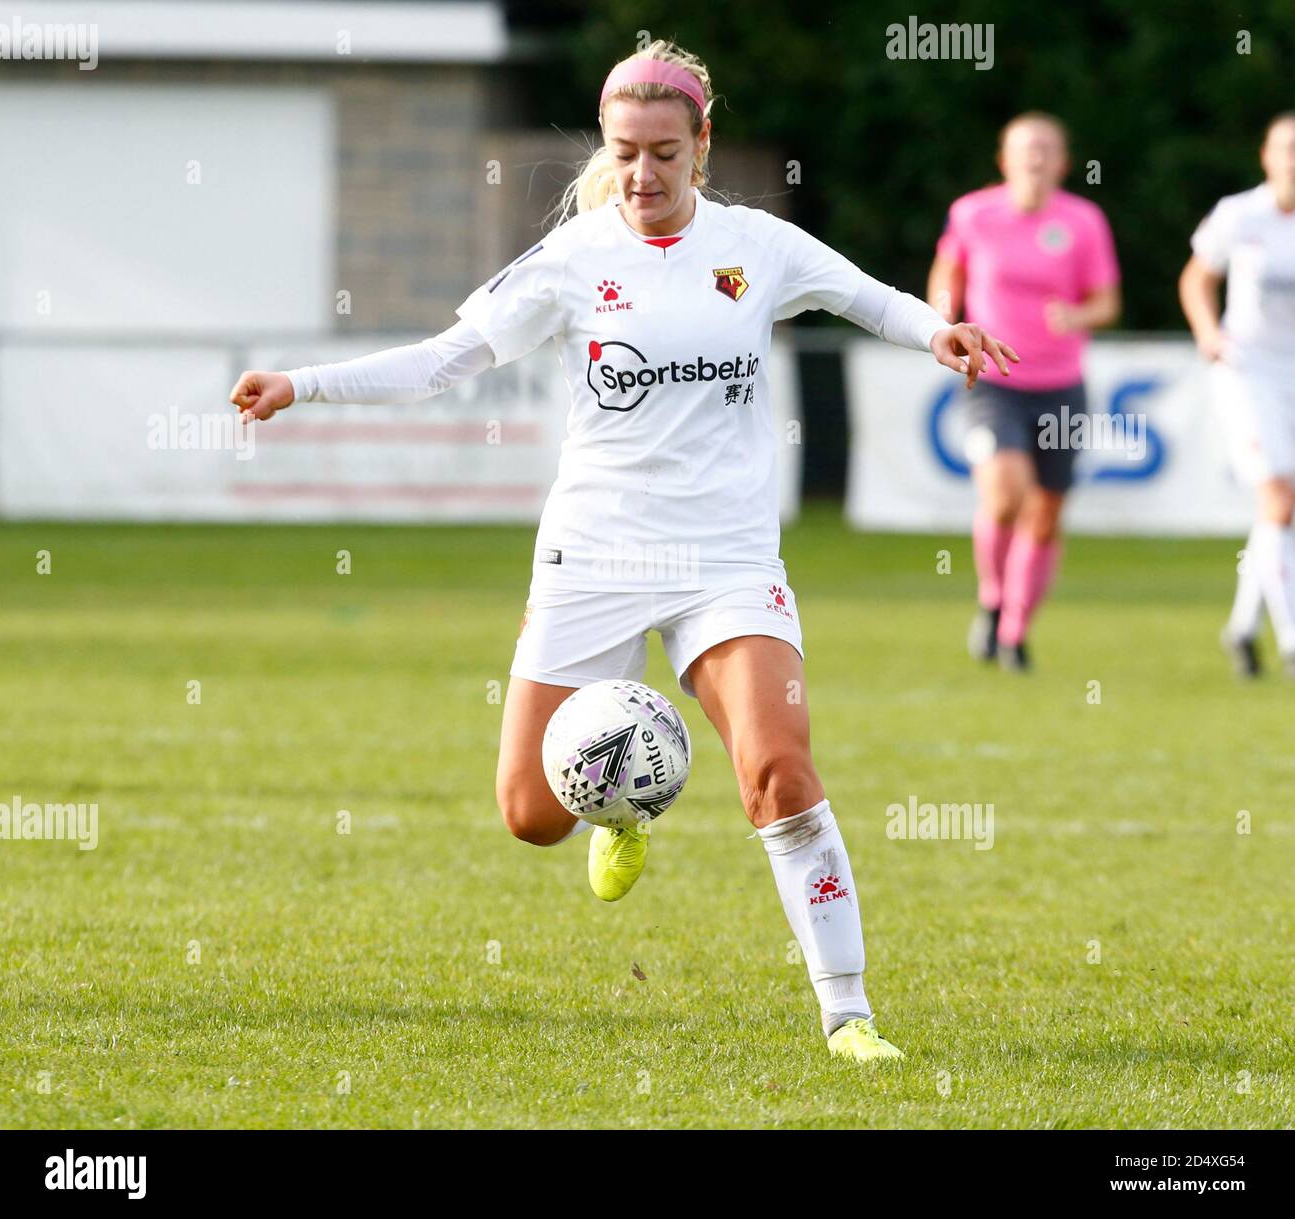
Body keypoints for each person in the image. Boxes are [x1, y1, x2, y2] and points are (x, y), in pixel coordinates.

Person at [229, 40, 1017, 1063]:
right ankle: (623, 807)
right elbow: (441, 362)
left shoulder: (755, 245)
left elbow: (862, 295)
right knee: (527, 816)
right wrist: (304, 383)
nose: (643, 174)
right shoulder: (571, 261)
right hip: (592, 554)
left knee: (778, 770)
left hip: (725, 558)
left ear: (701, 146)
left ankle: (848, 1014)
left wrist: (934, 332)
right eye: (624, 152)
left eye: (663, 153)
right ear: (607, 150)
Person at [928, 112, 1120, 670]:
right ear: (1004, 159)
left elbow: (1106, 302)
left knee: (1046, 513)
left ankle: (1014, 631)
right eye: (1024, 149)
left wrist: (1077, 313)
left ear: (1062, 162)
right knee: (1006, 495)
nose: (1035, 159)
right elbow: (946, 276)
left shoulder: (1084, 221)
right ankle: (992, 599)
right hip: (994, 380)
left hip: (1061, 384)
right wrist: (944, 325)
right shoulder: (973, 214)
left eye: (1046, 150)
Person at [1180, 112, 1295, 679]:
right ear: (1267, 155)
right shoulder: (1239, 214)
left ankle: (1243, 628)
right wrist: (1207, 332)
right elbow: (1197, 278)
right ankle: (1292, 637)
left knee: (1282, 510)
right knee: (1278, 498)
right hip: (1246, 368)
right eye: (1288, 148)